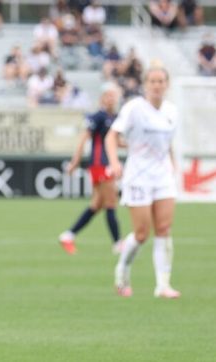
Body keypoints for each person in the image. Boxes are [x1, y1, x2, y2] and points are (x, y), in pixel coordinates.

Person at [106, 65, 181, 299]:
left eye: (161, 81)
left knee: (164, 229)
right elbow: (112, 135)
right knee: (141, 234)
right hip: (138, 176)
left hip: (163, 176)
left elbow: (167, 143)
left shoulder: (172, 111)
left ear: (167, 84)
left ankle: (163, 285)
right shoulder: (134, 108)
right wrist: (115, 162)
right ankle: (122, 270)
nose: (157, 85)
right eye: (153, 81)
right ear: (145, 85)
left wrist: (173, 166)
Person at [59, 84, 123, 255]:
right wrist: (75, 161)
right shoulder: (98, 117)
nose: (111, 99)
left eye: (113, 96)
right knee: (111, 202)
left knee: (96, 205)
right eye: (107, 96)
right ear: (102, 98)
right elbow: (84, 138)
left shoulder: (115, 117)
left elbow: (116, 141)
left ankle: (68, 235)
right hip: (99, 164)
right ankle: (118, 244)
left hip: (106, 164)